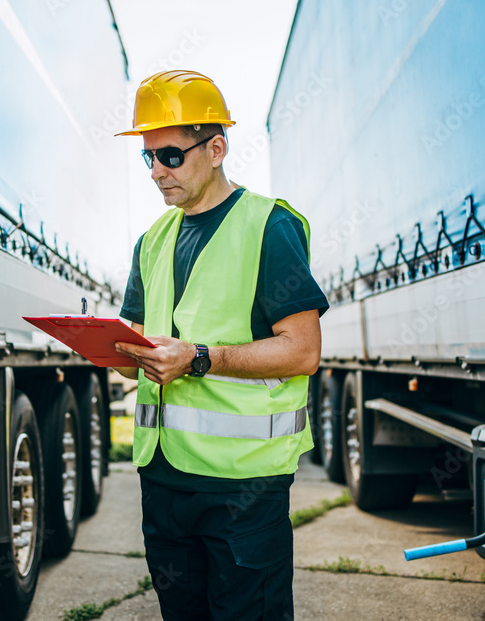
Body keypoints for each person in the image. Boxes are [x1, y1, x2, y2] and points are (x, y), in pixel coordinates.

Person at [112, 70, 329, 620]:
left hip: (243, 487)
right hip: (162, 479)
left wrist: (200, 358)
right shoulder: (152, 241)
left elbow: (302, 351)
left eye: (170, 156)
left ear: (216, 149)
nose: (157, 172)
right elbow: (131, 356)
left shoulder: (268, 226)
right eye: (148, 158)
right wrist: (114, 351)